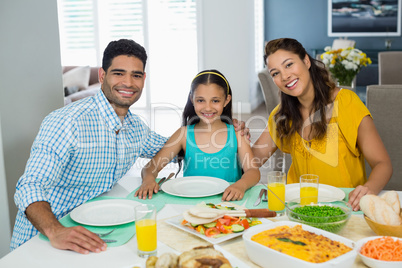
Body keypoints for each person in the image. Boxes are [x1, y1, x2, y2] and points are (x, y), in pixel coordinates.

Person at [11, 39, 247, 254]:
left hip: (99, 226)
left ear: (144, 79)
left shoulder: (135, 128)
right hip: (45, 238)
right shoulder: (67, 122)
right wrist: (55, 231)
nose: (127, 82)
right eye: (118, 73)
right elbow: (30, 186)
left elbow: (173, 148)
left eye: (135, 75)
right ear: (103, 76)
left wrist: (222, 132)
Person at [251, 38, 392, 211]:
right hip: (298, 211)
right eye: (275, 73)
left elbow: (382, 163)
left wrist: (369, 189)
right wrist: (233, 135)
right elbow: (252, 161)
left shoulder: (347, 102)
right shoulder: (281, 115)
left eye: (288, 65)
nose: (285, 76)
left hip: (345, 209)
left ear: (306, 61)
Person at [135, 70, 260, 201]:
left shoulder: (237, 133)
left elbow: (253, 171)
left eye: (215, 101)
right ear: (192, 99)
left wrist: (241, 185)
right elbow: (150, 168)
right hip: (189, 204)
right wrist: (148, 180)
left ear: (226, 100)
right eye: (201, 100)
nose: (207, 107)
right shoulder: (183, 134)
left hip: (228, 203)